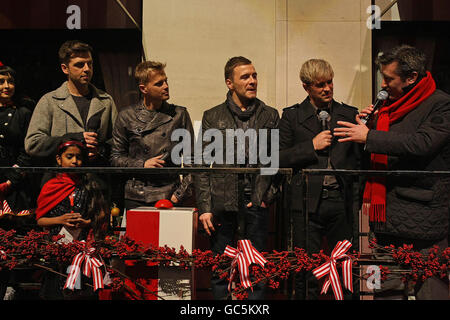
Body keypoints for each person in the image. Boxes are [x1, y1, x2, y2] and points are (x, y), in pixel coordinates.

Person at [334, 45, 450, 299]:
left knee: (433, 292)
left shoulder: (440, 104)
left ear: (411, 78)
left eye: (389, 78)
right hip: (385, 222)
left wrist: (371, 136)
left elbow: (421, 143)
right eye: (382, 77)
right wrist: (369, 126)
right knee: (383, 291)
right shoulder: (388, 107)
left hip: (425, 223)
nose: (383, 84)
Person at [194, 56, 280, 300]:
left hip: (256, 202)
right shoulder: (213, 115)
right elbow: (201, 163)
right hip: (222, 202)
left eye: (254, 76)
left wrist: (265, 196)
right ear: (229, 83)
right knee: (221, 267)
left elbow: (272, 162)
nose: (252, 81)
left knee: (257, 269)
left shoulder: (269, 115)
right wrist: (205, 208)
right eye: (245, 77)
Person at [279, 59, 361, 299]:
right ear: (306, 87)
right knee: (308, 270)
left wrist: (355, 198)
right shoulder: (292, 117)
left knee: (344, 267)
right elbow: (276, 158)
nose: (327, 88)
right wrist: (310, 147)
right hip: (306, 204)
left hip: (341, 202)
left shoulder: (348, 114)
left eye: (330, 82)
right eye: (320, 85)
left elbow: (358, 162)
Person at [111, 61, 194, 209]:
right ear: (144, 89)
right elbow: (116, 158)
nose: (166, 86)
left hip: (168, 193)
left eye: (166, 81)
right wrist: (142, 164)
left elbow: (192, 160)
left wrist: (178, 195)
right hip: (136, 194)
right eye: (159, 84)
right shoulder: (126, 116)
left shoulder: (179, 114)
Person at [35, 138, 110, 300]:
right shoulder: (50, 186)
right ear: (58, 159)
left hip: (83, 250)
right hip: (56, 249)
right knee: (55, 291)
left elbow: (102, 217)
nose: (75, 161)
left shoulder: (90, 186)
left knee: (81, 292)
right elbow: (40, 220)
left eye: (79, 157)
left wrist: (87, 223)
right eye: (69, 157)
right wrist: (60, 220)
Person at [25, 40, 117, 167]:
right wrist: (73, 139)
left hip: (95, 180)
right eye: (80, 65)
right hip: (61, 181)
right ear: (65, 68)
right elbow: (33, 144)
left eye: (90, 64)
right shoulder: (50, 101)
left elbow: (117, 142)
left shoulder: (105, 101)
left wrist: (101, 150)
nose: (87, 69)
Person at [0, 63, 38, 300]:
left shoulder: (24, 112)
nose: (6, 86)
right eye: (1, 81)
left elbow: (28, 151)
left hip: (14, 184)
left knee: (12, 234)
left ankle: (12, 284)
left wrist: (10, 181)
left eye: (10, 81)